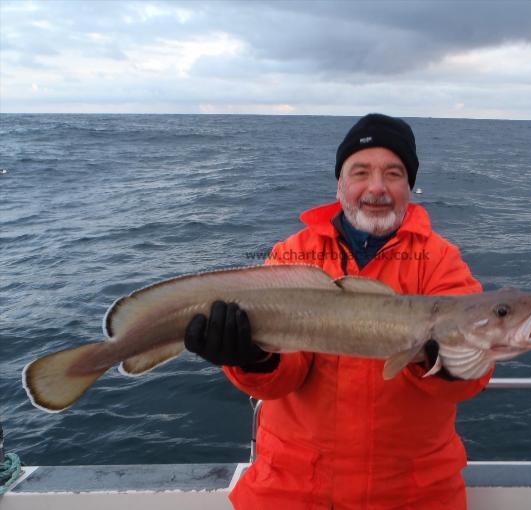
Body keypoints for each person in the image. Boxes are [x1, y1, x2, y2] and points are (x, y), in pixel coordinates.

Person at [185, 113, 493, 509]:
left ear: (410, 186)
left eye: (394, 174)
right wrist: (254, 359)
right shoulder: (292, 255)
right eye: (360, 171)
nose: (377, 188)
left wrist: (443, 359)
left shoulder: (440, 261)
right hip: (294, 492)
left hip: (410, 496)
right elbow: (284, 378)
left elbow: (472, 378)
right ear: (340, 183)